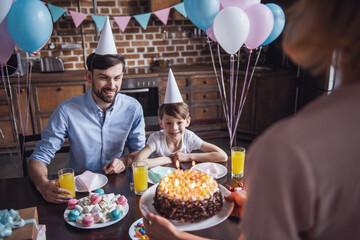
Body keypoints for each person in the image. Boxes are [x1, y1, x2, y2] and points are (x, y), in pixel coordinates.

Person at [141, 0, 360, 239]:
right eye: (169, 122)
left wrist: (175, 237)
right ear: (161, 124)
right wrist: (262, 211)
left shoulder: (286, 150)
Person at [28, 17, 145, 204]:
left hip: (118, 189)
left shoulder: (133, 108)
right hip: (77, 190)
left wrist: (124, 161)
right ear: (89, 76)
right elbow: (39, 157)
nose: (112, 85)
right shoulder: (67, 110)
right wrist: (43, 185)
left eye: (117, 78)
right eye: (104, 78)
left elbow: (139, 154)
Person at [134, 69, 227, 168]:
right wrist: (166, 159)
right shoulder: (156, 139)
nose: (174, 128)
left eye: (179, 123)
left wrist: (188, 157)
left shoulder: (188, 137)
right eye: (168, 123)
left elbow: (222, 156)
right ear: (161, 123)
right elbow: (137, 164)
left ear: (187, 122)